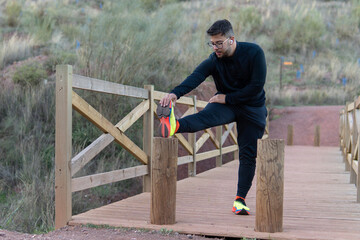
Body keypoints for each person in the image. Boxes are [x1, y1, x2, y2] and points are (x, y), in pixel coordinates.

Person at [157, 19, 267, 215]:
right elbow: (196, 76)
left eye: (219, 43)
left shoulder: (254, 53)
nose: (215, 47)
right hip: (227, 105)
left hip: (253, 108)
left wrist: (227, 97)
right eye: (212, 43)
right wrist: (174, 94)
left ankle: (239, 200)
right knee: (204, 118)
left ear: (231, 39)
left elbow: (256, 87)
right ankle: (173, 126)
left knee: (248, 155)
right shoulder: (214, 60)